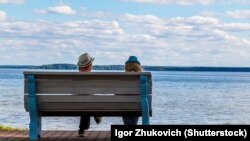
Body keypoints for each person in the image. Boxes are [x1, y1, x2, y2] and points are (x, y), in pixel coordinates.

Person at [77, 53, 102, 137]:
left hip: (74, 103)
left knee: (85, 101)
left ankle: (82, 130)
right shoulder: (92, 78)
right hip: (88, 103)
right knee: (89, 101)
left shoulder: (73, 77)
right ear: (89, 66)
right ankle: (97, 114)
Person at [122, 56, 143, 125]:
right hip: (138, 105)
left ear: (126, 66)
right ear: (138, 66)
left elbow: (116, 94)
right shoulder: (142, 78)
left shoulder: (122, 77)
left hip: (124, 106)